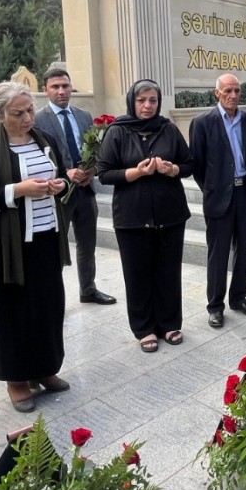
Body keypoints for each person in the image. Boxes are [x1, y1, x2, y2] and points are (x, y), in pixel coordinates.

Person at [0, 82, 71, 411]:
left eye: (30, 110)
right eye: (17, 113)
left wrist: (60, 183)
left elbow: (61, 172)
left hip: (46, 236)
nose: (27, 118)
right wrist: (17, 191)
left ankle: (46, 368)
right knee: (13, 312)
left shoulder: (44, 140)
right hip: (4, 247)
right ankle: (17, 379)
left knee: (48, 306)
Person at [96, 80, 193, 352]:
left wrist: (171, 169)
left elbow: (188, 164)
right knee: (137, 274)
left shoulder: (169, 129)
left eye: (152, 100)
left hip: (170, 214)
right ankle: (144, 328)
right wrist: (137, 173)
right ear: (132, 102)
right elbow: (104, 173)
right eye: (142, 101)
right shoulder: (118, 132)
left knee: (168, 272)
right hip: (132, 216)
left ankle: (170, 322)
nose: (147, 106)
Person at [33, 66, 116, 305]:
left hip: (85, 190)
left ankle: (88, 290)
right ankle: (52, 296)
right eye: (55, 87)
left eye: (65, 86)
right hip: (57, 192)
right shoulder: (38, 119)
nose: (61, 91)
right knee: (55, 247)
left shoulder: (84, 116)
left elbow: (94, 151)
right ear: (45, 90)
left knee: (87, 243)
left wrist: (93, 170)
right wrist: (64, 172)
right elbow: (39, 155)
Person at [189, 73, 246, 326]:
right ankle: (215, 305)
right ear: (216, 93)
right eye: (227, 91)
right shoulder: (202, 122)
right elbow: (197, 164)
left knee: (242, 250)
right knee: (218, 253)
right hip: (219, 197)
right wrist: (213, 188)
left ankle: (239, 297)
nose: (233, 96)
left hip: (245, 193)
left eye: (237, 91)